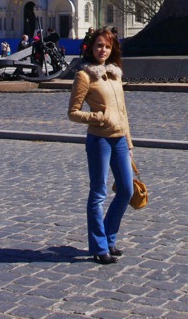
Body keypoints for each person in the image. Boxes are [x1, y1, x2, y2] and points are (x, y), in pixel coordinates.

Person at [67, 27, 134, 265]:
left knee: (127, 190)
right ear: (90, 48)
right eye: (99, 46)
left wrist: (129, 140)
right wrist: (99, 117)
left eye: (107, 46)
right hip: (99, 139)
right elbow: (73, 113)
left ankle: (108, 236)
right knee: (99, 193)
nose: (103, 50)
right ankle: (99, 245)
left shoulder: (115, 74)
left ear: (112, 48)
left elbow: (123, 111)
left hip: (119, 140)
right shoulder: (84, 76)